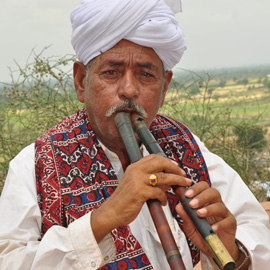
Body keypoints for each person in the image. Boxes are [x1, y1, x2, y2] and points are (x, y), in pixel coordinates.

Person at [0, 0, 269, 269]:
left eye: (145, 74)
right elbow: (7, 259)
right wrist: (102, 220)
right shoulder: (35, 164)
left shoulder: (184, 144)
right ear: (81, 81)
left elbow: (256, 231)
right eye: (111, 72)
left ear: (164, 87)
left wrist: (232, 250)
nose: (129, 90)